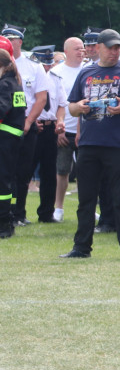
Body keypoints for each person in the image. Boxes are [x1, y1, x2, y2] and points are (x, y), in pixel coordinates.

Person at [60, 29, 120, 261]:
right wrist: (80, 107)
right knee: (86, 199)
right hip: (89, 144)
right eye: (110, 47)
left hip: (117, 145)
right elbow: (71, 107)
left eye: (118, 47)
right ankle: (81, 247)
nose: (114, 51)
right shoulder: (86, 72)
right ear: (98, 47)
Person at [2, 25, 53, 228]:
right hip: (9, 125)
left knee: (23, 172)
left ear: (20, 42)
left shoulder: (33, 66)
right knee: (7, 173)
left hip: (25, 125)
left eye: (11, 39)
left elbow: (41, 98)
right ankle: (9, 213)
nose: (7, 43)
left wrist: (29, 121)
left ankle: (19, 213)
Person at [51, 37, 86, 223]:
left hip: (84, 130)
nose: (81, 52)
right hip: (64, 129)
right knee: (62, 170)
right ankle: (59, 207)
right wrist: (60, 127)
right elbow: (55, 102)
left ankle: (86, 207)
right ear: (66, 51)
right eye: (77, 49)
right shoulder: (57, 72)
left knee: (85, 171)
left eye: (82, 48)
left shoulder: (88, 70)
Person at [30, 45, 67, 223]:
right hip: (33, 127)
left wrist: (60, 121)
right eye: (44, 64)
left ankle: (46, 213)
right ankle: (17, 212)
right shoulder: (29, 77)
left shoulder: (55, 79)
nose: (47, 67)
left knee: (49, 173)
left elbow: (61, 105)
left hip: (50, 128)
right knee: (25, 171)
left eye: (49, 64)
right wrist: (31, 120)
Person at [0, 39, 26, 239]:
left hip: (4, 140)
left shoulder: (5, 84)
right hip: (11, 139)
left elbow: (2, 109)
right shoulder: (15, 82)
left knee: (2, 184)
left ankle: (3, 224)